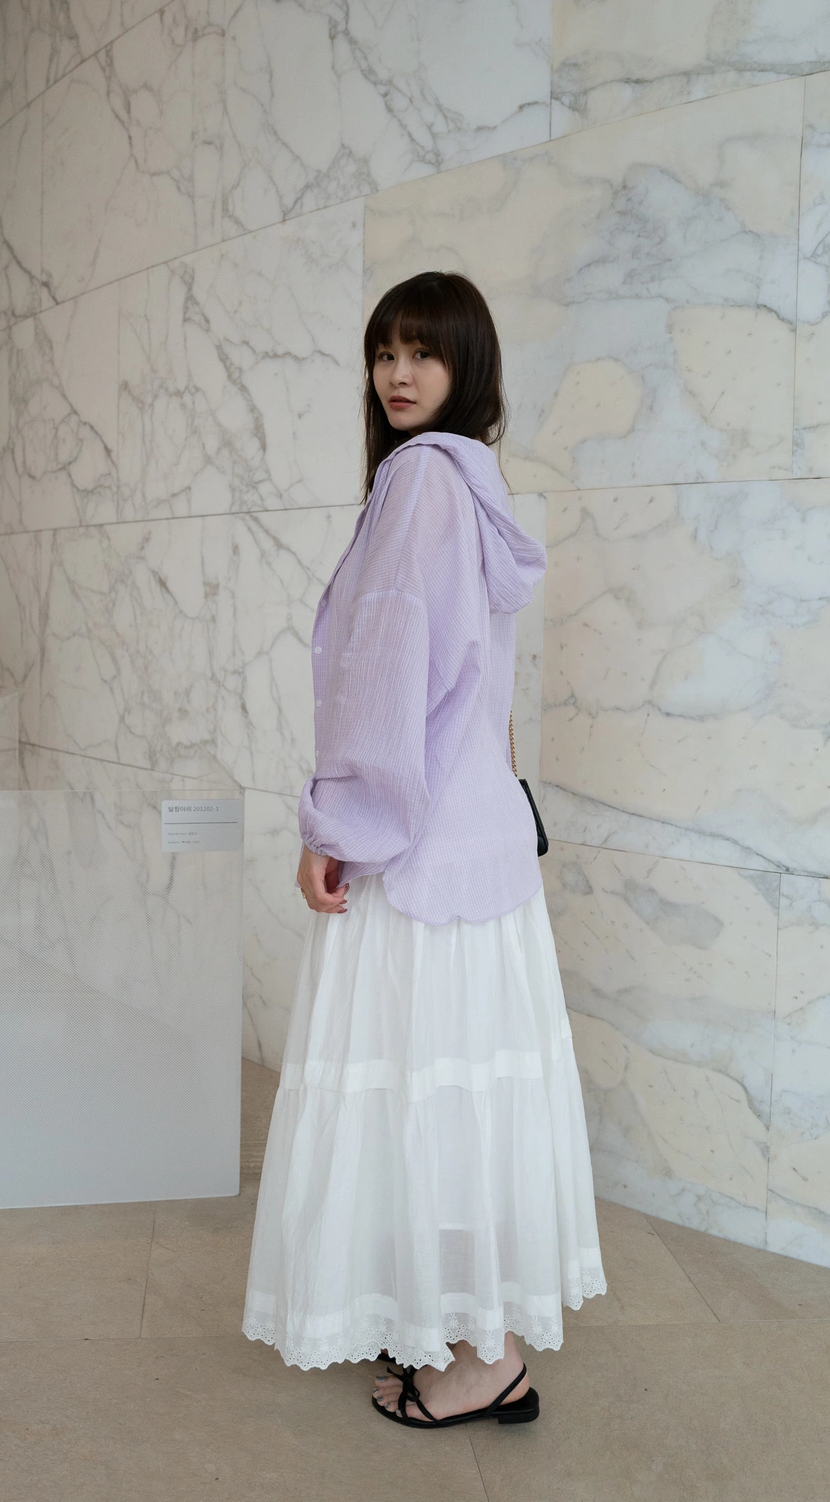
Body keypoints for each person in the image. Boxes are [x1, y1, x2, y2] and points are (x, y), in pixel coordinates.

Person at [241, 271, 607, 1428]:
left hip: (414, 851)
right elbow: (476, 691)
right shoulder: (479, 485)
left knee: (421, 1093)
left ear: (465, 365)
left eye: (422, 353)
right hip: (479, 850)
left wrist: (334, 827)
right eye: (384, 352)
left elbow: (387, 680)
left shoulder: (416, 482)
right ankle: (469, 1330)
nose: (397, 374)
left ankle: (482, 1356)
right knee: (463, 1094)